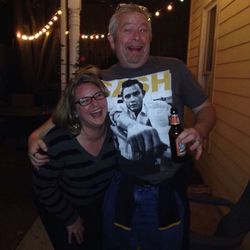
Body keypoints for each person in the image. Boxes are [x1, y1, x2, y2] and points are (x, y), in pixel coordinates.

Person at [28, 3, 216, 250]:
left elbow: (206, 109)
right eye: (128, 30)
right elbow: (70, 106)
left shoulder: (175, 68)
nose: (137, 36)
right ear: (112, 40)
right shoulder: (102, 79)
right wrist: (37, 133)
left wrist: (200, 131)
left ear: (150, 37)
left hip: (168, 188)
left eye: (143, 30)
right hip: (120, 187)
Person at [32, 65, 117, 250]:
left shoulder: (118, 133)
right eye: (84, 100)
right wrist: (70, 218)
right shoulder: (59, 143)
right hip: (59, 202)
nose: (94, 104)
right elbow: (43, 187)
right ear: (75, 111)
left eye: (98, 96)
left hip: (93, 202)